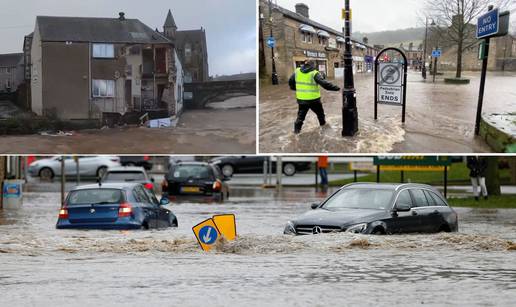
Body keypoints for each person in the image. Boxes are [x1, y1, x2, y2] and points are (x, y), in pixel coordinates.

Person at [288, 60, 340, 134]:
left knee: (300, 118)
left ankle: (296, 133)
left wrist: (296, 89)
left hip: (302, 100)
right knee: (320, 115)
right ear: (313, 65)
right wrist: (337, 88)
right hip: (314, 100)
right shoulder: (314, 73)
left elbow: (290, 82)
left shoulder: (297, 71)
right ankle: (324, 128)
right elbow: (325, 84)